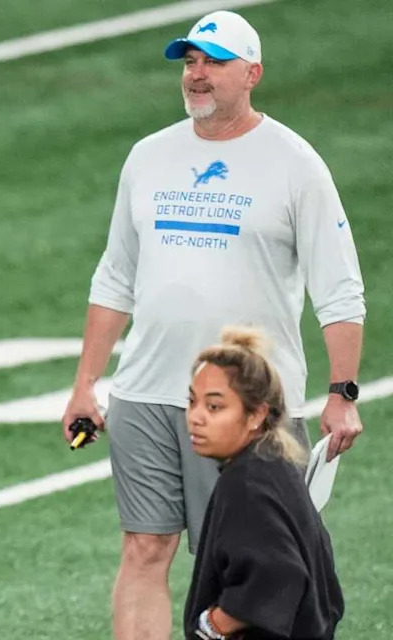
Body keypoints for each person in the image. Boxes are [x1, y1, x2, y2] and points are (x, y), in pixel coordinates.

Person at [59, 10, 364, 640]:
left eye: (215, 63)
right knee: (143, 550)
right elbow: (115, 277)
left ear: (252, 73)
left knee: (244, 561)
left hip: (248, 403)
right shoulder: (149, 157)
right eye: (190, 62)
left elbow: (340, 290)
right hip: (145, 390)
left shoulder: (294, 163)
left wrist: (343, 394)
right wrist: (87, 383)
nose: (198, 75)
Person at [185, 328, 344, 639]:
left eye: (214, 406)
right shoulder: (273, 465)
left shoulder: (246, 484)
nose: (195, 417)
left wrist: (212, 627)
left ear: (256, 415)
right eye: (192, 402)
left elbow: (279, 573)